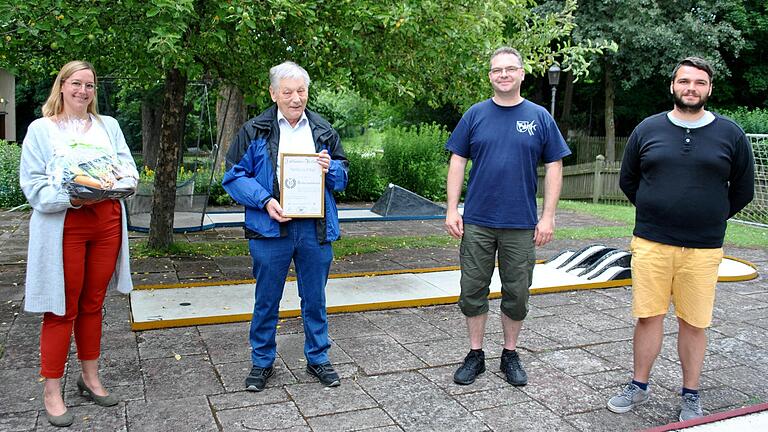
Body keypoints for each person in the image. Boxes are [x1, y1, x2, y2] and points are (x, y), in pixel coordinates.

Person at [607, 57, 754, 421]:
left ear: (709, 89)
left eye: (699, 82)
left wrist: (708, 215)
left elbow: (743, 190)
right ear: (673, 86)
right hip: (652, 244)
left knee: (694, 323)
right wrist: (659, 211)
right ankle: (638, 386)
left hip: (703, 248)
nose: (692, 88)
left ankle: (691, 394)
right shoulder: (647, 129)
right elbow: (629, 181)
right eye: (685, 81)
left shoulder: (731, 134)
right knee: (648, 317)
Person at [19, 61, 138, 427]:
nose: (83, 91)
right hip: (65, 223)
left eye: (89, 85)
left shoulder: (109, 126)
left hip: (105, 223)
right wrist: (72, 197)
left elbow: (128, 167)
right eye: (76, 83)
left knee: (93, 303)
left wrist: (123, 182)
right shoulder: (41, 130)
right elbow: (34, 184)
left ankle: (90, 378)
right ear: (62, 86)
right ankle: (51, 390)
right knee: (61, 307)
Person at [444, 47, 571, 387]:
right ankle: (475, 354)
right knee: (472, 289)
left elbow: (554, 165)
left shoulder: (540, 117)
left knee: (517, 292)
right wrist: (452, 207)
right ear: (490, 76)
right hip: (478, 222)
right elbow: (457, 160)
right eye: (497, 70)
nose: (503, 75)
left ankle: (510, 353)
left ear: (521, 74)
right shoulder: (475, 115)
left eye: (510, 69)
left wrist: (548, 216)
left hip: (521, 224)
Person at [222, 61, 348, 392]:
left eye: (301, 91)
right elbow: (233, 177)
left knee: (315, 298)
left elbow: (343, 176)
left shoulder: (323, 130)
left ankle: (318, 358)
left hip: (314, 229)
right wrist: (265, 201)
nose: (296, 98)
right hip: (270, 228)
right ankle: (262, 362)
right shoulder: (254, 130)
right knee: (266, 299)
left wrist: (330, 168)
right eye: (288, 91)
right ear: (274, 93)